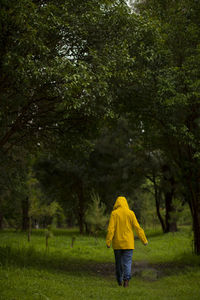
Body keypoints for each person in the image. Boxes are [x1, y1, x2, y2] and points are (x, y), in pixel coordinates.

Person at [106, 196, 148, 287]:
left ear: (117, 203)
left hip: (117, 244)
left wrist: (108, 242)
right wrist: (144, 240)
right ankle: (126, 280)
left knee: (118, 263)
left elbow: (111, 229)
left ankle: (119, 280)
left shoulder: (114, 214)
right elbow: (137, 228)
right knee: (127, 262)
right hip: (128, 244)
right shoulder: (130, 213)